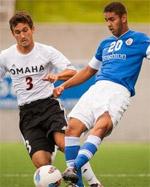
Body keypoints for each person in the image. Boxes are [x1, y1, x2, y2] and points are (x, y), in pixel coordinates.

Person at [52, 2, 150, 186]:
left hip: (118, 90)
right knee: (72, 128)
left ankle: (73, 168)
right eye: (106, 20)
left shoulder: (139, 39)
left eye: (112, 19)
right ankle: (77, 183)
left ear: (123, 18)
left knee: (103, 124)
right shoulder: (104, 44)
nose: (109, 24)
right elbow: (88, 71)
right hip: (96, 88)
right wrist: (63, 86)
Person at [0, 11, 102, 187]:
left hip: (49, 107)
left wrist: (57, 76)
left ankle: (93, 183)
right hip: (28, 114)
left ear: (33, 29)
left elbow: (71, 71)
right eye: (18, 32)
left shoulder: (46, 51)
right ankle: (58, 173)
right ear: (12, 33)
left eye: (25, 30)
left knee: (65, 144)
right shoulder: (6, 56)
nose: (22, 35)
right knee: (42, 165)